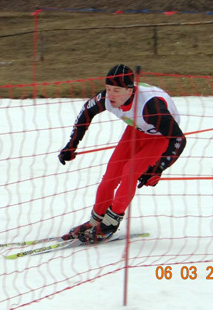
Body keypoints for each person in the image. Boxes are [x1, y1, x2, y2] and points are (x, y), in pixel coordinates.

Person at [58, 64, 186, 244]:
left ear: (130, 90)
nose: (110, 95)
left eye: (116, 90)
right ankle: (95, 221)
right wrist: (71, 146)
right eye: (108, 89)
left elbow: (179, 139)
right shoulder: (106, 98)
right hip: (136, 130)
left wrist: (158, 168)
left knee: (129, 172)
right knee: (111, 174)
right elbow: (85, 113)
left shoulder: (151, 107)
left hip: (160, 137)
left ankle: (109, 224)